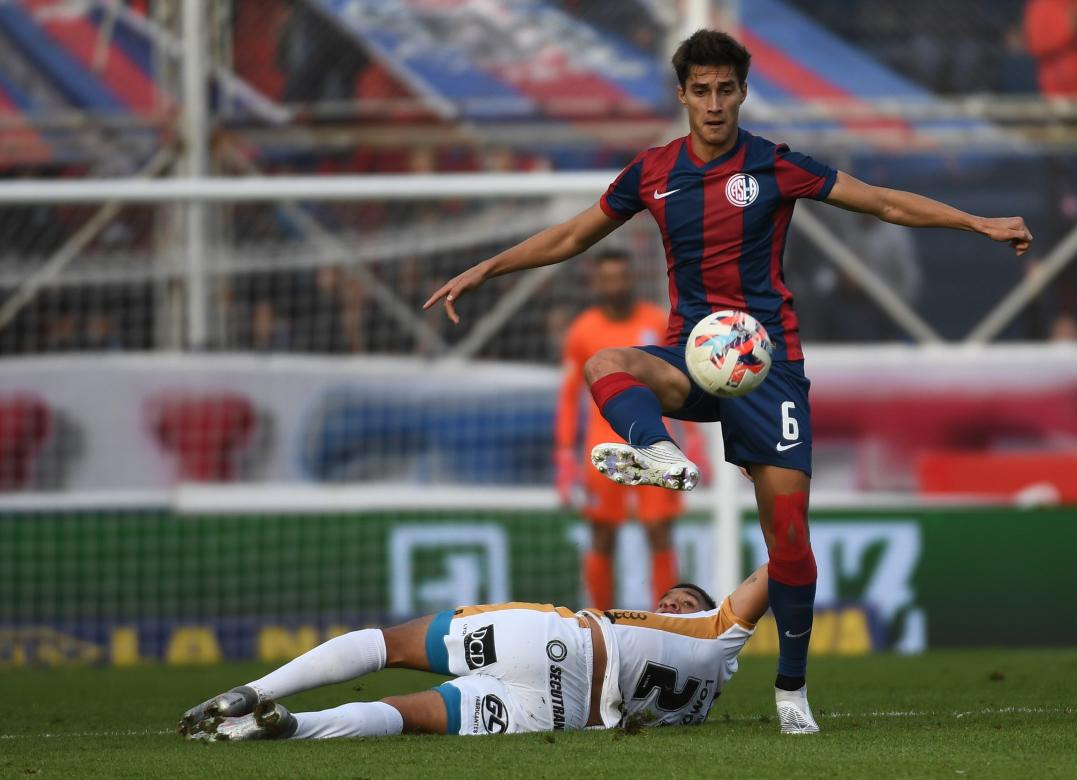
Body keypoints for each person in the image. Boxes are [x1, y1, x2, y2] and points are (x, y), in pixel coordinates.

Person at [424, 29, 1033, 733]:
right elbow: (570, 237)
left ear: (742, 92)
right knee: (605, 364)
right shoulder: (651, 171)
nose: (714, 104)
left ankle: (792, 692)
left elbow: (883, 203)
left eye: (725, 90)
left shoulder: (775, 165)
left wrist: (977, 221)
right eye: (701, 90)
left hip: (768, 372)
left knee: (791, 543)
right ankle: (656, 451)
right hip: (692, 357)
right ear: (682, 95)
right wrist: (486, 267)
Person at [178, 565, 769, 740]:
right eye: (665, 600)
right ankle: (277, 724)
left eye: (680, 602)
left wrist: (777, 481)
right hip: (562, 715)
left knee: (393, 651)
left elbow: (781, 564)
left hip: (557, 645)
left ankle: (262, 697)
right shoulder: (699, 702)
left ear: (704, 608)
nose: (668, 608)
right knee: (404, 716)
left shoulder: (721, 632)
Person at [556, 249, 704, 610]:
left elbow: (677, 382)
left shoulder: (656, 320)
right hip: (601, 446)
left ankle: (667, 624)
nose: (615, 285)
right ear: (596, 283)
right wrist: (563, 453)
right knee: (603, 535)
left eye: (621, 277)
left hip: (656, 443)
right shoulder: (582, 331)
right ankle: (602, 621)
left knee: (659, 532)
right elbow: (569, 395)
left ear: (632, 279)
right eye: (607, 278)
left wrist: (695, 438)